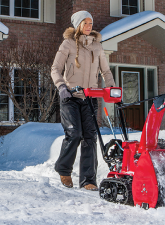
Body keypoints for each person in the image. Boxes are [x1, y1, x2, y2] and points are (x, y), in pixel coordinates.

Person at [51, 10, 115, 190]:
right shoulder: (68, 44)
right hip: (70, 96)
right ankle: (63, 169)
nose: (89, 26)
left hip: (90, 97)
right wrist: (61, 86)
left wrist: (112, 88)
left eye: (91, 23)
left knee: (90, 137)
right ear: (78, 24)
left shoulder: (97, 46)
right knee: (74, 134)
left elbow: (106, 71)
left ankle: (88, 180)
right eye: (85, 23)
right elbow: (55, 68)